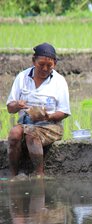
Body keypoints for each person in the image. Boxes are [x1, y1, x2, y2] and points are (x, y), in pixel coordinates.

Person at [6, 43, 71, 178]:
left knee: (32, 134)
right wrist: (17, 105)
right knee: (14, 134)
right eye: (41, 64)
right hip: (26, 122)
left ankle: (39, 174)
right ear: (33, 61)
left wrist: (48, 117)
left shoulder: (59, 81)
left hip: (51, 126)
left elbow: (64, 112)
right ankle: (13, 175)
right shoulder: (22, 77)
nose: (45, 69)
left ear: (55, 64)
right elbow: (10, 108)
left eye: (49, 65)